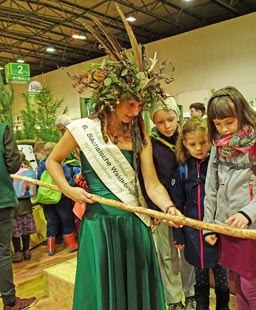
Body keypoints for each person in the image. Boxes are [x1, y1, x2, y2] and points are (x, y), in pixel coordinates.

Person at [46, 7, 181, 309]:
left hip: (134, 222)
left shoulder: (140, 136)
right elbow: (52, 161)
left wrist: (169, 207)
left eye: (139, 106)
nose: (136, 113)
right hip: (100, 224)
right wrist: (68, 190)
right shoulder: (82, 130)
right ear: (111, 102)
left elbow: (152, 184)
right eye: (130, 105)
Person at [203, 86, 256, 310]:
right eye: (218, 124)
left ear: (241, 114)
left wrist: (247, 214)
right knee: (237, 283)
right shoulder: (218, 146)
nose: (224, 129)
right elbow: (211, 187)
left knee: (249, 286)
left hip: (249, 228)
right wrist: (209, 225)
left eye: (228, 122)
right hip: (225, 227)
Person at [170, 117, 230, 310]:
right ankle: (201, 306)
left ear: (211, 140)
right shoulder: (182, 169)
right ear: (185, 144)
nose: (199, 148)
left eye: (203, 142)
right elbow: (178, 203)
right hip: (193, 232)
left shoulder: (219, 164)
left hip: (218, 228)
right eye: (193, 144)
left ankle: (223, 307)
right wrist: (178, 233)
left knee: (221, 273)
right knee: (200, 272)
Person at [144, 97, 196, 310]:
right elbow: (146, 177)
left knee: (189, 251)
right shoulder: (150, 144)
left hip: (188, 205)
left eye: (171, 119)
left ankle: (190, 292)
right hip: (163, 205)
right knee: (167, 253)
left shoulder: (188, 140)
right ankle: (173, 298)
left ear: (177, 117)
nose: (166, 126)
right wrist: (153, 208)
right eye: (160, 122)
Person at [0, 122, 36, 309]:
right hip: (1, 200)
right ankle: (10, 302)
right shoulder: (2, 129)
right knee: (2, 253)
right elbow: (13, 164)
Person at [37, 142, 78, 255]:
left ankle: (51, 248)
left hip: (46, 198)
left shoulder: (41, 166)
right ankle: (72, 244)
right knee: (66, 220)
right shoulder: (60, 164)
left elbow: (38, 181)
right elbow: (68, 181)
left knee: (51, 221)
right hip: (60, 197)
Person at [11, 152, 37, 263]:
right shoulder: (29, 172)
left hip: (13, 206)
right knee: (25, 230)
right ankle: (26, 251)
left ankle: (18, 253)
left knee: (15, 231)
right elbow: (32, 191)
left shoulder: (10, 173)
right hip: (26, 205)